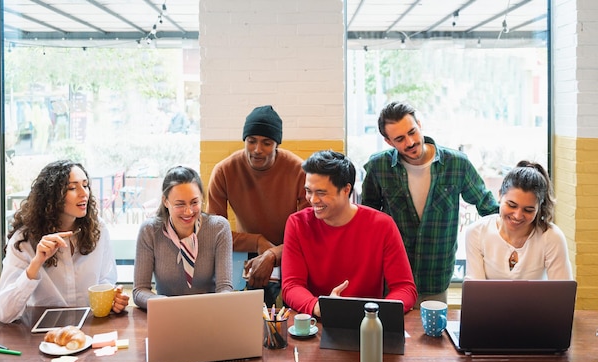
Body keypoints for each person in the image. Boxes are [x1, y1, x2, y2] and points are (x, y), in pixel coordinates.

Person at [361, 102, 499, 305]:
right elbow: (369, 218)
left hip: (436, 275)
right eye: (399, 139)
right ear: (388, 141)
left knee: (434, 335)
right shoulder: (378, 166)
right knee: (392, 335)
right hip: (393, 277)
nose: (410, 142)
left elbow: (487, 206)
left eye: (412, 132)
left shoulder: (456, 164)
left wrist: (522, 226)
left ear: (419, 124)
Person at [281, 150, 417, 318]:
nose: (313, 199)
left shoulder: (382, 225)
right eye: (309, 191)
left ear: (346, 190)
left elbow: (405, 288)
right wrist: (319, 306)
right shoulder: (297, 224)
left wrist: (376, 314)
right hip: (318, 321)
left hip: (370, 322)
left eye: (321, 193)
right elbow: (291, 285)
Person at [0, 160, 128, 324]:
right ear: (51, 197)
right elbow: (3, 313)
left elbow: (106, 279)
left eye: (85, 186)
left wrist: (112, 298)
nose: (83, 193)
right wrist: (36, 264)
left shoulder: (97, 228)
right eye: (72, 188)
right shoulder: (25, 239)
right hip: (41, 335)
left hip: (89, 328)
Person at [206, 105, 309, 306]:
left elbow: (309, 233)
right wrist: (257, 242)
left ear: (277, 144)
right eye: (251, 141)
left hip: (292, 250)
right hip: (247, 252)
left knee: (293, 305)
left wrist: (273, 253)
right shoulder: (224, 171)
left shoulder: (299, 171)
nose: (257, 150)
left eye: (267, 143)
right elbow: (214, 234)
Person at [133, 166, 233, 310]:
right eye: (180, 204)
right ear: (165, 202)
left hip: (209, 314)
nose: (188, 211)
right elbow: (139, 290)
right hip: (167, 314)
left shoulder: (218, 228)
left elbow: (225, 287)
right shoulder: (149, 231)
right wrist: (166, 304)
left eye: (194, 202)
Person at [465, 161, 573, 280]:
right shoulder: (476, 232)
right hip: (487, 300)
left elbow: (560, 293)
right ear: (500, 195)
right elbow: (476, 291)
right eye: (511, 205)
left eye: (528, 210)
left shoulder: (551, 237)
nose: (517, 216)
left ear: (539, 208)